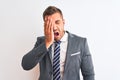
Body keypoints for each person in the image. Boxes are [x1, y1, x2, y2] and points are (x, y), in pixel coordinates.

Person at [21, 6, 95, 80]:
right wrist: (47, 43)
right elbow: (26, 65)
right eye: (49, 24)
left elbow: (89, 74)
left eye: (57, 22)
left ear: (63, 22)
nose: (54, 28)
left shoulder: (80, 43)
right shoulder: (41, 42)